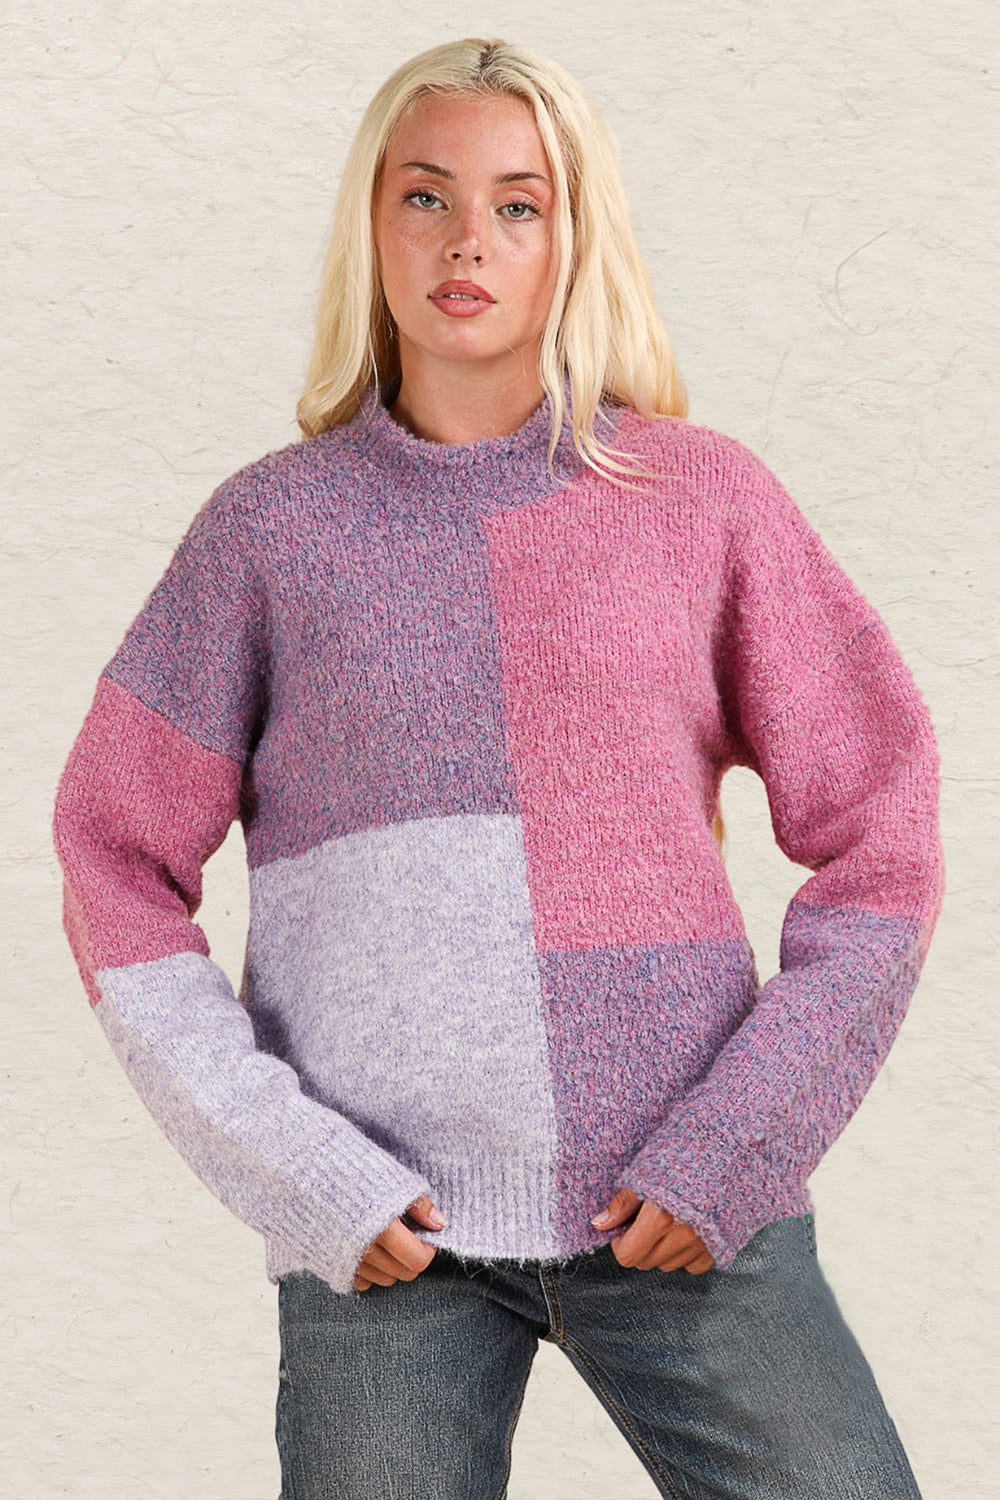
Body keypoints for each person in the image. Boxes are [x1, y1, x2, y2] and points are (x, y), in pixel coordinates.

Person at [52, 35, 944, 1500]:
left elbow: (883, 841)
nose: (468, 239)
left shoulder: (703, 501)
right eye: (426, 196)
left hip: (682, 1204)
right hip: (385, 1241)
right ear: (371, 223)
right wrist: (299, 1172)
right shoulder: (267, 534)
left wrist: (740, 1140)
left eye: (518, 204)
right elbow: (112, 860)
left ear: (573, 234)